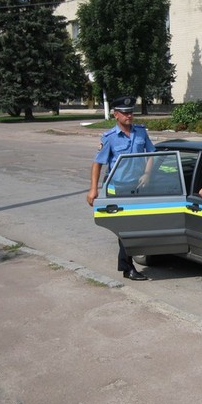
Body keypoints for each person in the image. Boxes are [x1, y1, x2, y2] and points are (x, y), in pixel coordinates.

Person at [86, 95, 155, 281]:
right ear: (116, 115)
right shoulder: (109, 138)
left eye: (131, 112)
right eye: (125, 113)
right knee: (126, 228)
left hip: (137, 187)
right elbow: (97, 163)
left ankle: (126, 265)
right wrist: (93, 189)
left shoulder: (140, 132)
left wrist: (147, 174)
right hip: (118, 188)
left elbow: (151, 153)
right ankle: (128, 267)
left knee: (137, 226)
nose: (129, 116)